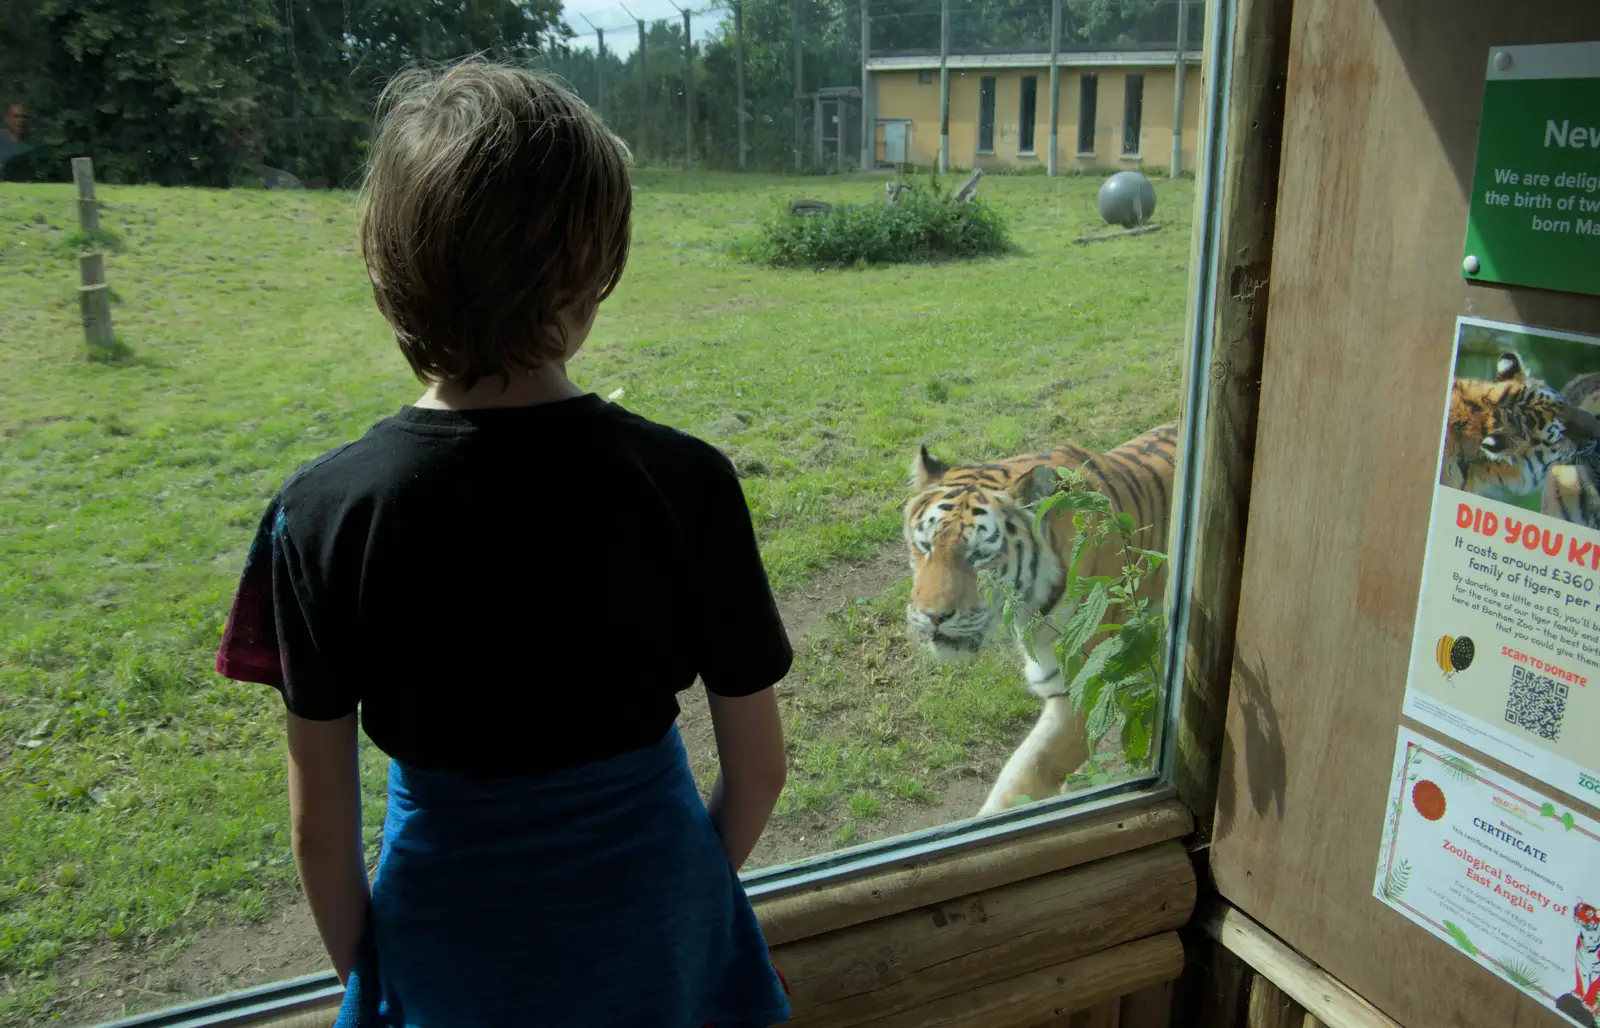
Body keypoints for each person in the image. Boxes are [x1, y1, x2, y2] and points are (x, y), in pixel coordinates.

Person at [214, 60, 793, 1028]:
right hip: (657, 934)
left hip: (448, 947)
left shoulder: (317, 516)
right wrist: (674, 904)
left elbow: (319, 830)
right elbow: (761, 765)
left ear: (389, 270)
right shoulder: (687, 482)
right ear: (589, 268)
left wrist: (383, 974)